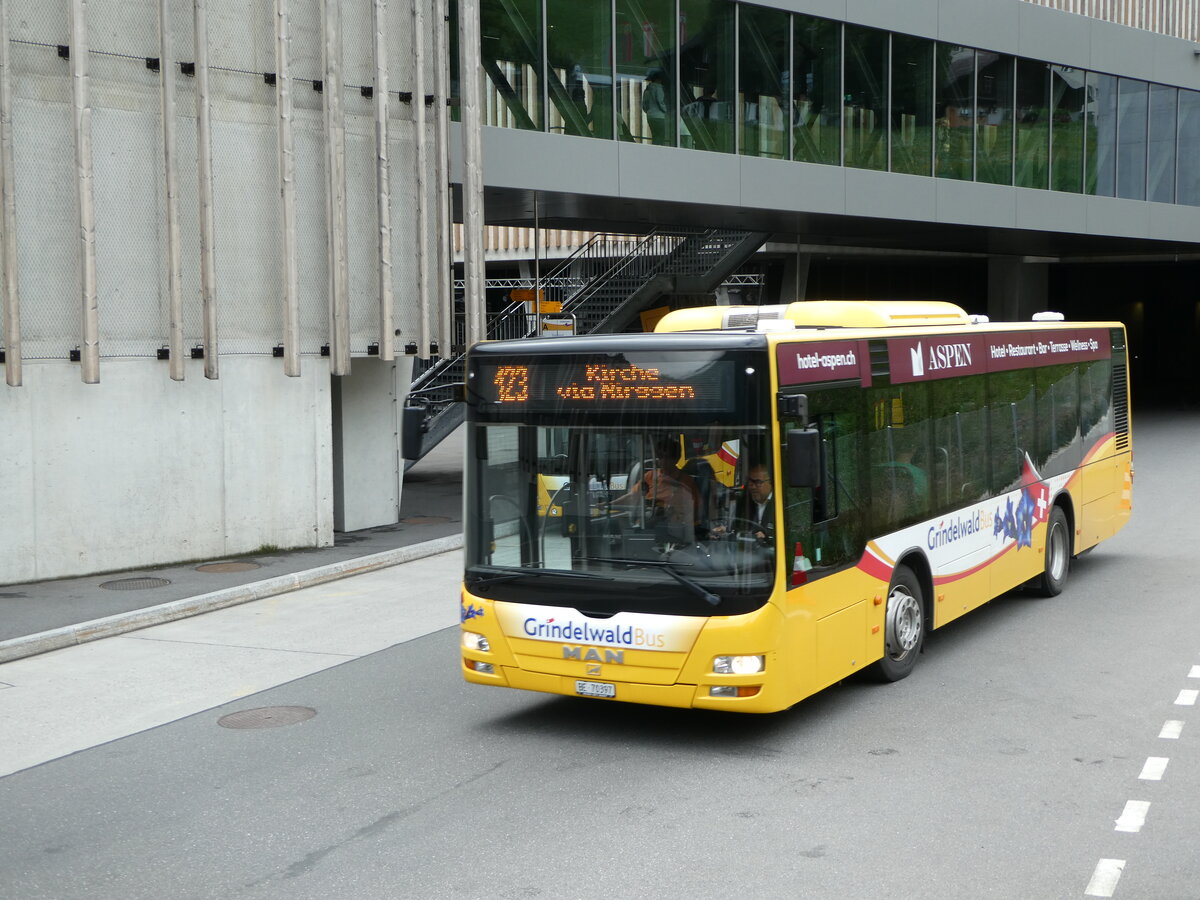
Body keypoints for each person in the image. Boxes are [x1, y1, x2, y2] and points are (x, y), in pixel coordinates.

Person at [617, 438, 701, 535]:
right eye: (661, 457)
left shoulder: (686, 482)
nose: (663, 461)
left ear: (677, 458)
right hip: (647, 527)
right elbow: (632, 496)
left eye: (668, 457)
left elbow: (695, 512)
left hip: (674, 530)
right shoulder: (649, 476)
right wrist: (608, 505)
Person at [643, 68, 670, 146]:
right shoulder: (658, 88)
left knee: (655, 136)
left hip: (650, 116)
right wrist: (666, 110)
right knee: (660, 137)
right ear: (659, 79)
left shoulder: (647, 89)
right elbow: (660, 101)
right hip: (659, 116)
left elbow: (644, 105)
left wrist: (648, 111)